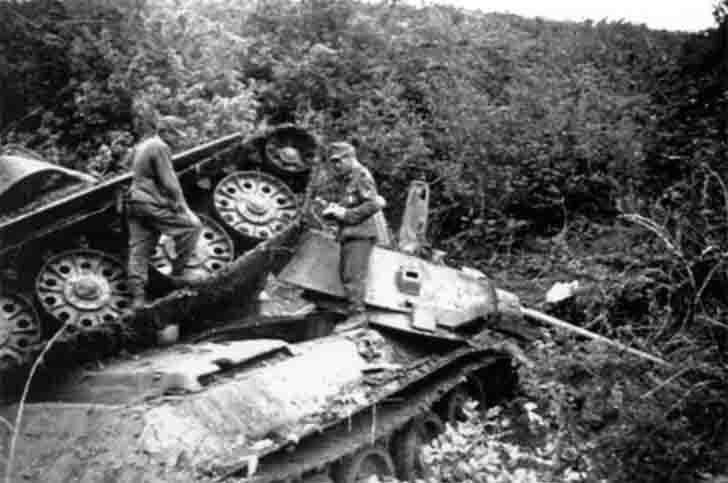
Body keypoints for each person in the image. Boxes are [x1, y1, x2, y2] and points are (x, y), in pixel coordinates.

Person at [125, 116, 203, 310]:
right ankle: (177, 276)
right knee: (192, 227)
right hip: (150, 203)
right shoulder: (160, 147)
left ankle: (138, 298)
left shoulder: (142, 146)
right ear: (166, 132)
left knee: (139, 251)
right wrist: (185, 209)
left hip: (135, 203)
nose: (178, 140)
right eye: (176, 135)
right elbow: (170, 182)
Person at [322, 142, 386, 317]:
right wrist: (334, 211)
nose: (335, 165)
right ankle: (352, 314)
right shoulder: (348, 178)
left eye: (338, 161)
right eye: (333, 162)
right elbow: (353, 203)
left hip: (361, 235)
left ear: (350, 158)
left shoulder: (361, 175)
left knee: (353, 277)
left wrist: (346, 215)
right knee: (347, 275)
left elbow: (374, 204)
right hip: (350, 234)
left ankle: (357, 317)